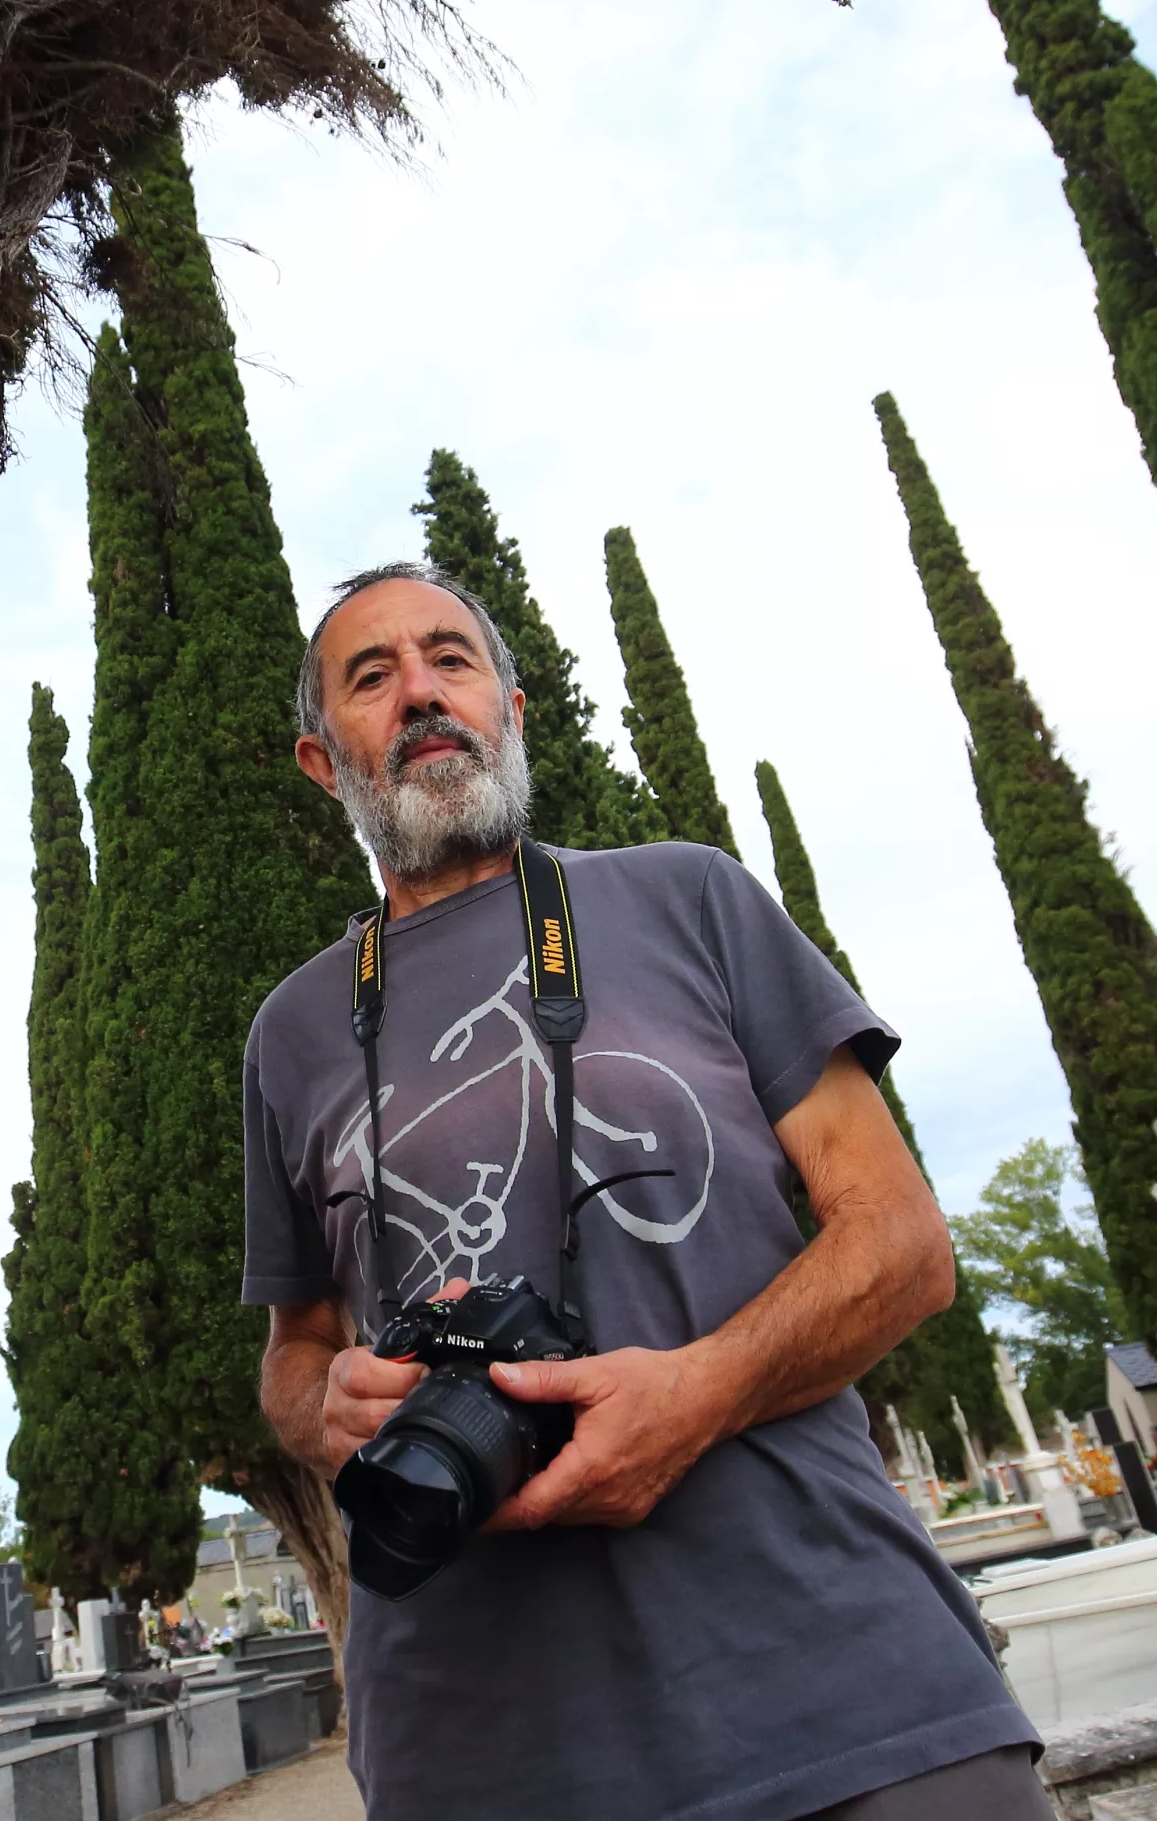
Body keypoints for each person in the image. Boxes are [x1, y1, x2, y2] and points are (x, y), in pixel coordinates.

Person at [246, 563, 1045, 1821]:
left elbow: (900, 1243)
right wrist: (328, 1406)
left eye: (449, 659)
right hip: (476, 1750)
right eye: (371, 674)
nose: (419, 692)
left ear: (511, 704)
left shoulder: (689, 895)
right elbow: (293, 1352)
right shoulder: (290, 1030)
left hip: (848, 1693)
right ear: (318, 758)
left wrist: (697, 1390)